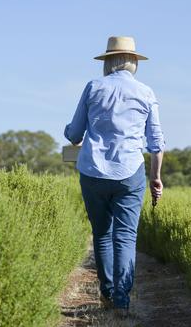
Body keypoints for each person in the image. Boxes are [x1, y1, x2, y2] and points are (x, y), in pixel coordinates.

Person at [64, 36, 165, 315]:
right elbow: (156, 143)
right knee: (125, 236)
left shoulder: (93, 87)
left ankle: (107, 293)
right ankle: (122, 299)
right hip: (130, 172)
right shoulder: (146, 92)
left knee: (102, 234)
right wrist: (156, 178)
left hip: (93, 171)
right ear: (133, 63)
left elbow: (74, 134)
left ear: (107, 62)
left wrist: (68, 131)